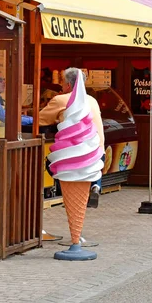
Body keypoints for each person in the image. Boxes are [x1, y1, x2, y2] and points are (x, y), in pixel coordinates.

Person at [41, 68, 104, 207]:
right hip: (97, 150)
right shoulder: (92, 99)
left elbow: (39, 120)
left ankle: (67, 190)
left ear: (68, 85)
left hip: (74, 153)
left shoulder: (60, 99)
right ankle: (95, 186)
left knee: (51, 164)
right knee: (92, 170)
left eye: (62, 82)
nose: (61, 85)